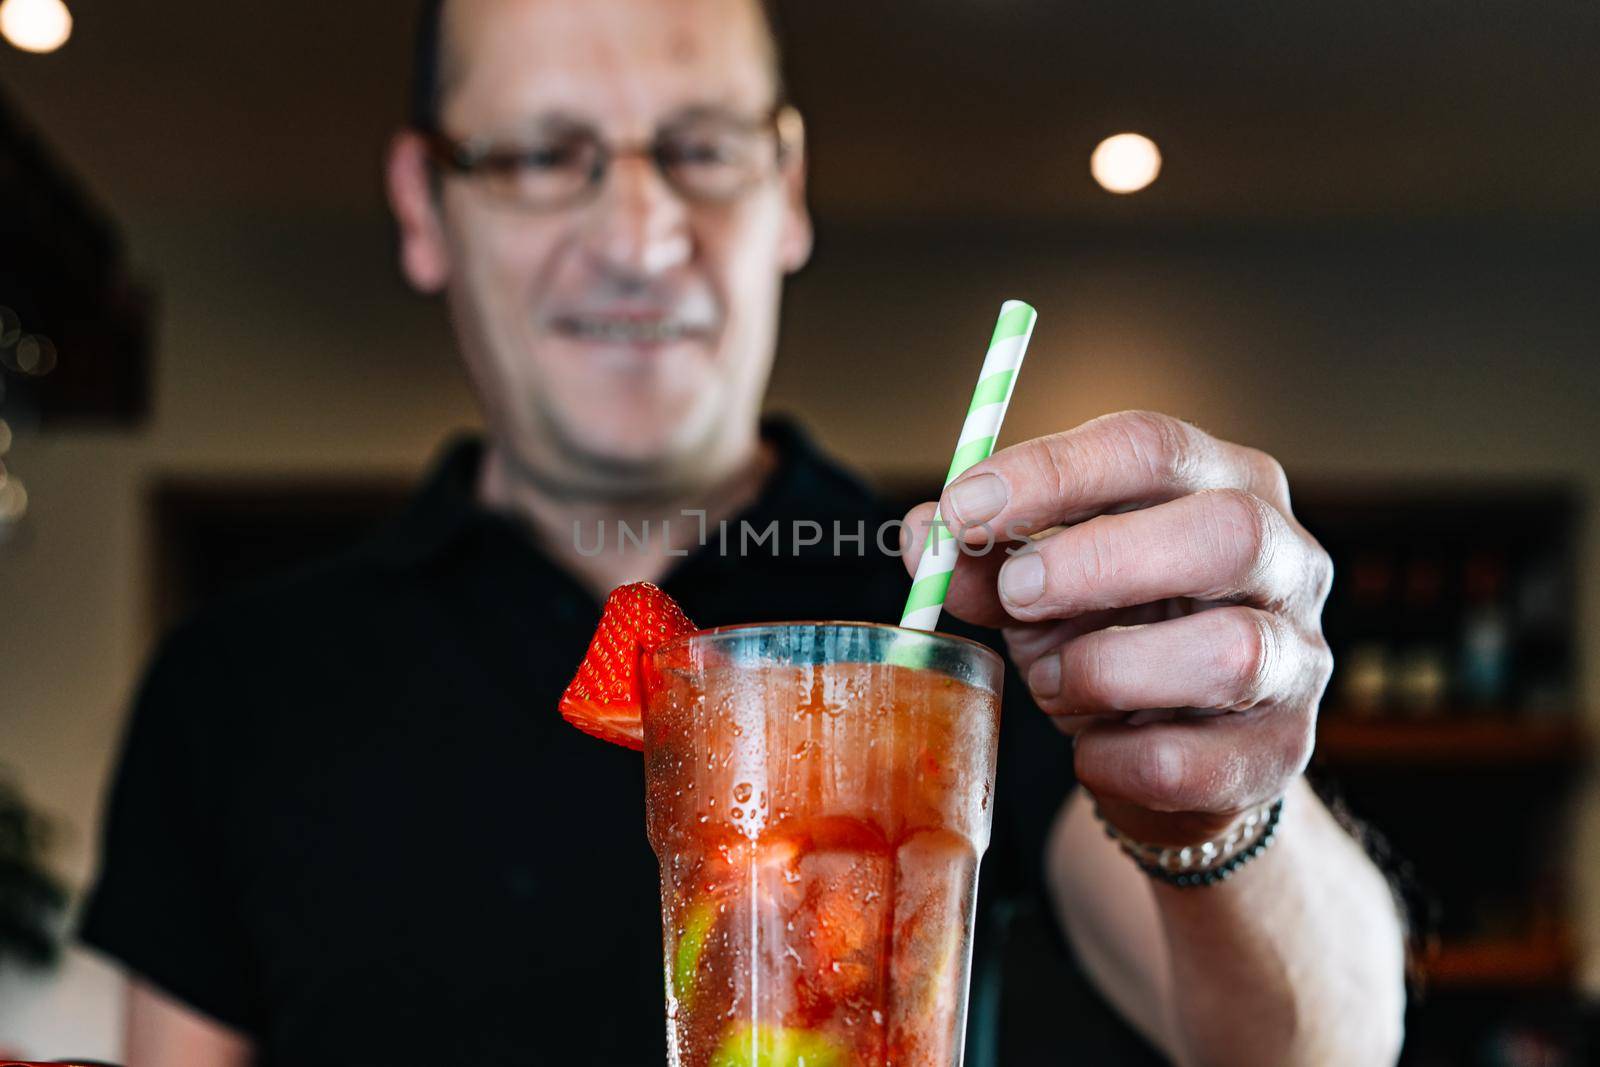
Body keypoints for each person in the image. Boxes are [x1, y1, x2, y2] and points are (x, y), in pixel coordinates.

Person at [80, 0, 1407, 1064]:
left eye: (703, 147)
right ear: (427, 205)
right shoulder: (234, 686)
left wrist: (1222, 805)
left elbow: (1332, 1046)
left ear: (788, 188)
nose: (643, 235)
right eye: (547, 155)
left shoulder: (959, 612)